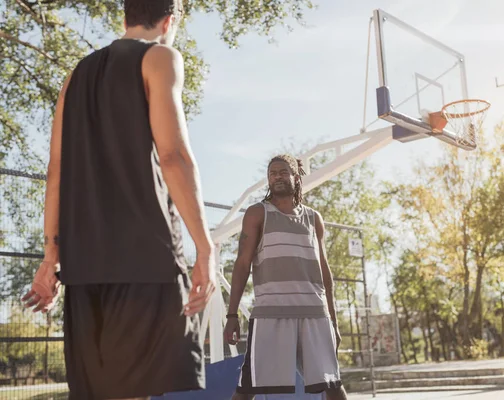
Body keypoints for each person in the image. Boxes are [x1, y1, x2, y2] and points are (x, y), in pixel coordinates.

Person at [21, 1, 216, 398]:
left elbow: (56, 169)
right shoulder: (160, 57)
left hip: (84, 266)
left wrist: (49, 257)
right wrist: (206, 248)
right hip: (143, 261)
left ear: (124, 17)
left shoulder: (76, 75)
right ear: (170, 20)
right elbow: (173, 156)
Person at [224, 154, 347, 400]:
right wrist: (232, 314)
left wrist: (332, 320)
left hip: (314, 314)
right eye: (272, 173)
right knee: (247, 388)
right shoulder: (257, 213)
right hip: (272, 314)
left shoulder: (314, 219)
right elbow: (241, 265)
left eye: (282, 172)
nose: (277, 177)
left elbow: (325, 272)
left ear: (295, 177)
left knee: (333, 384)